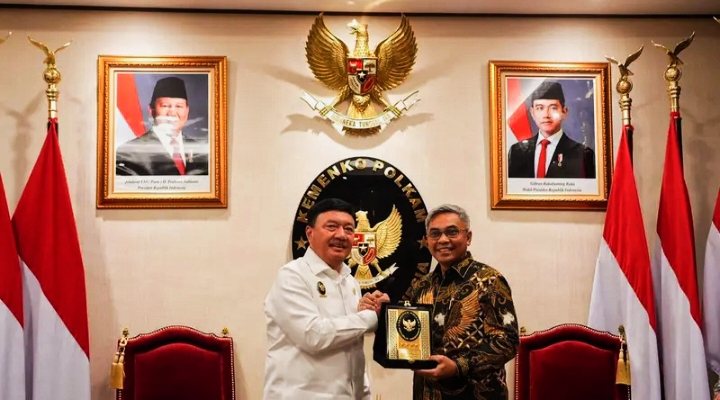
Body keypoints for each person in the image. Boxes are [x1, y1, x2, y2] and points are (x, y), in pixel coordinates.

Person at [361, 204, 519, 400]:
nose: (443, 240)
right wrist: (383, 314)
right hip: (427, 393)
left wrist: (458, 366)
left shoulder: (489, 280)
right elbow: (408, 336)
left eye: (452, 232)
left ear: (468, 237)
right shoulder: (422, 285)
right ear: (427, 241)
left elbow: (508, 341)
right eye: (435, 234)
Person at [263, 198, 385, 400]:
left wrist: (364, 395)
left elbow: (353, 349)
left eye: (348, 229)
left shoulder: (350, 282)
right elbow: (313, 336)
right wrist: (370, 317)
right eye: (331, 227)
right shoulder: (292, 276)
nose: (341, 235)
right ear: (309, 233)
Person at [115, 76, 209, 176]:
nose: (172, 113)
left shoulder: (202, 151)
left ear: (187, 110)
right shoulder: (129, 152)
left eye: (179, 106)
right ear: (151, 110)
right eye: (165, 106)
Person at [507, 81, 596, 179]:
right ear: (532, 113)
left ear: (564, 112)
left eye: (553, 108)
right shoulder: (517, 152)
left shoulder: (582, 154)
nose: (546, 115)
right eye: (540, 108)